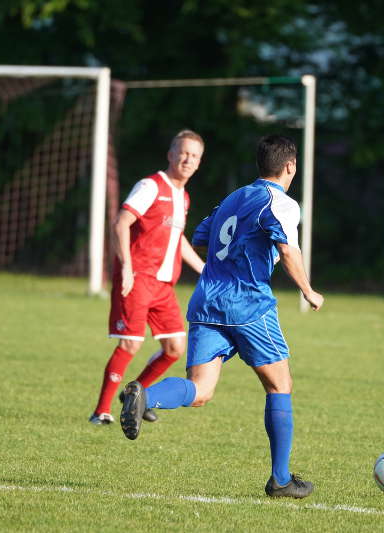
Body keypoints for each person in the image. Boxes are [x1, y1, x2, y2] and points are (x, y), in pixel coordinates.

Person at [119, 134, 324, 499]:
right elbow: (288, 250)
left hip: (206, 301)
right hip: (247, 303)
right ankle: (280, 479)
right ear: (291, 165)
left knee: (201, 390)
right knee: (280, 385)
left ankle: (145, 396)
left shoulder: (233, 198)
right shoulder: (282, 203)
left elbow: (200, 236)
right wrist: (308, 291)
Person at [89, 130, 206, 426]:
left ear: (199, 163)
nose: (188, 159)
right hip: (139, 277)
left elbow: (177, 239)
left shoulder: (184, 196)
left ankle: (135, 395)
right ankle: (101, 411)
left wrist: (205, 269)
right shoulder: (151, 186)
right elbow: (121, 222)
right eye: (183, 152)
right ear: (170, 155)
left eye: (194, 156)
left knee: (176, 348)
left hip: (164, 285)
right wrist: (126, 267)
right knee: (130, 344)